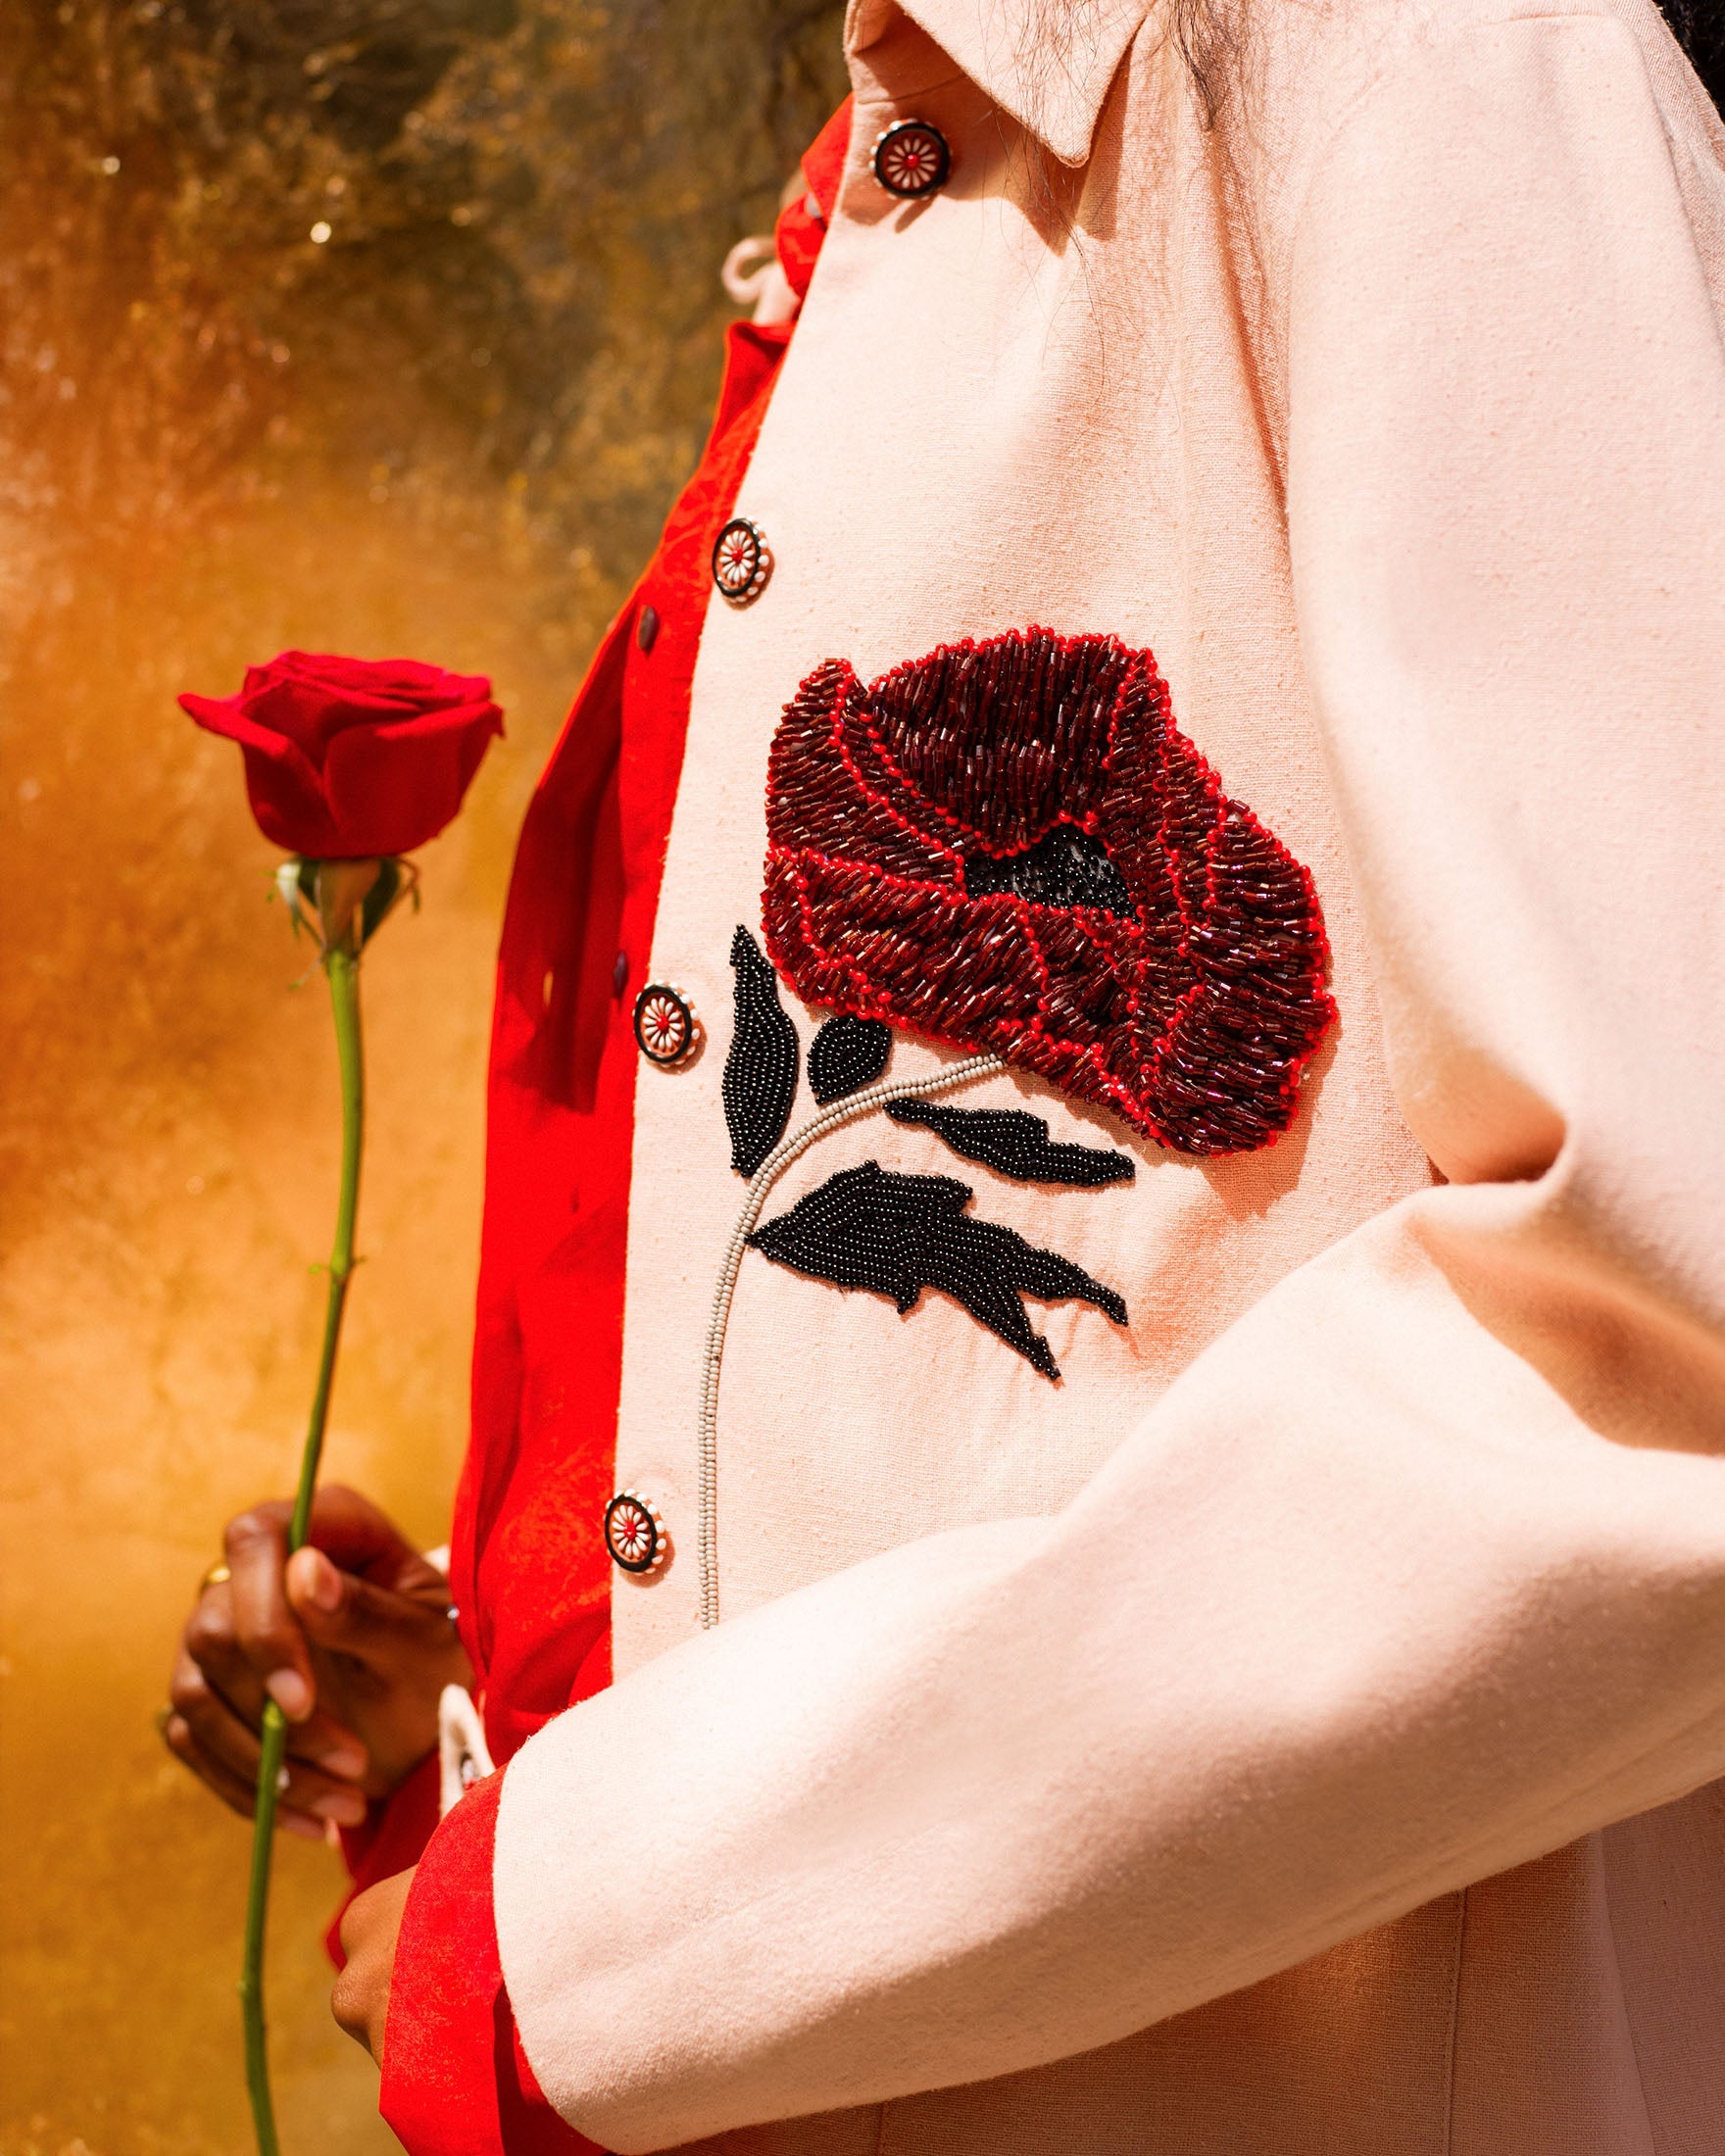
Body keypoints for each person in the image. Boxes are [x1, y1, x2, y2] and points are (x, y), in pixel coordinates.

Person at [164, 0, 1725, 2147]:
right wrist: (507, 1731)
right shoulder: (939, 160)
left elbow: (1661, 1360)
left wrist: (602, 1917)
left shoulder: (1420, 62)